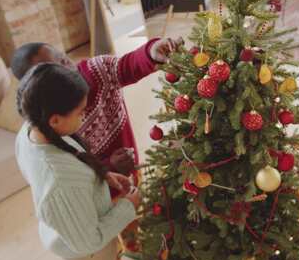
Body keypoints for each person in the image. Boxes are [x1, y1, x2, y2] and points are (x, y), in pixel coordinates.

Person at [15, 63, 140, 260]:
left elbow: (74, 163)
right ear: (54, 120)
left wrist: (102, 176)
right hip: (88, 251)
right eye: (81, 113)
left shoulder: (30, 130)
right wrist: (128, 205)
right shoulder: (60, 182)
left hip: (72, 228)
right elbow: (89, 242)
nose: (83, 118)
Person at [10, 37, 181, 194]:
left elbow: (127, 66)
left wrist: (150, 53)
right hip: (99, 192)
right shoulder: (51, 125)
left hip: (130, 171)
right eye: (55, 68)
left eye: (61, 57)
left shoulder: (96, 71)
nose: (66, 65)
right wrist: (108, 166)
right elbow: (74, 172)